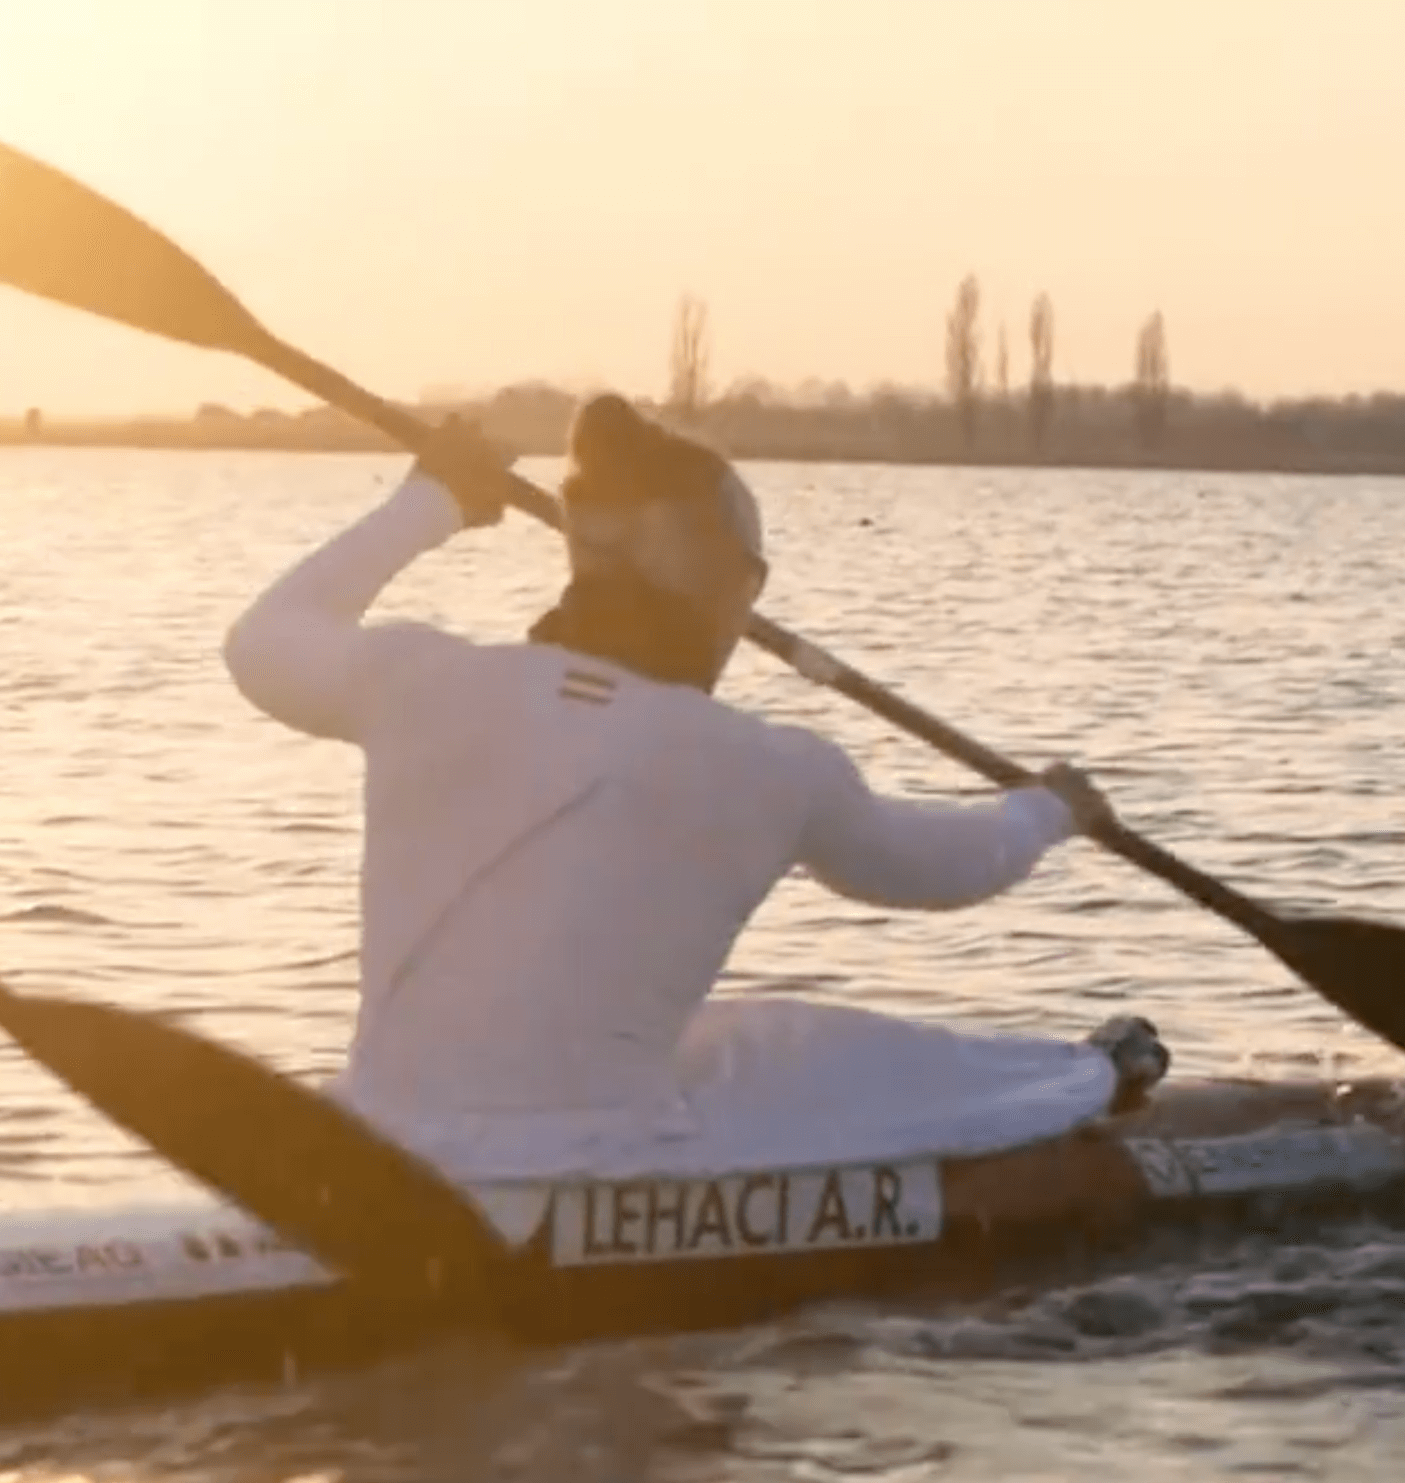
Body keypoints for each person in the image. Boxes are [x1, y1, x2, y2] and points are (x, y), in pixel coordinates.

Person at [220, 394, 1170, 1182]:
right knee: (822, 1051)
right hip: (598, 1159)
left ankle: (1087, 1071)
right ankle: (1093, 1077)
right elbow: (937, 868)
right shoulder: (771, 766)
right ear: (726, 587)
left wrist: (427, 503)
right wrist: (1049, 811)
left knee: (748, 1038)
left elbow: (263, 639)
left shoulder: (416, 678)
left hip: (377, 1136)